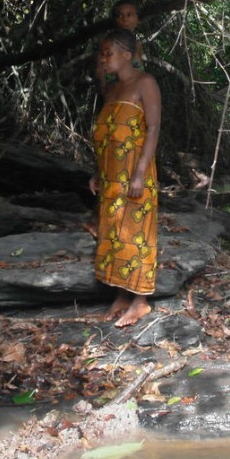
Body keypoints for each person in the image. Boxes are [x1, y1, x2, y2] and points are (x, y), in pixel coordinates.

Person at [90, 29, 161, 327]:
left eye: (109, 53)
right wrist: (97, 172)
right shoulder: (111, 91)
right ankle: (121, 294)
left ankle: (140, 302)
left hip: (135, 174)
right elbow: (108, 135)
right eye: (103, 53)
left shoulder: (145, 83)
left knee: (137, 235)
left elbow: (154, 128)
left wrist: (140, 173)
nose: (104, 59)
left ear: (127, 56)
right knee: (115, 235)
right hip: (110, 177)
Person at [111, 0, 146, 69]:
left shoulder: (138, 45)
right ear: (114, 20)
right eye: (120, 16)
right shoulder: (110, 44)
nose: (125, 19)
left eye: (129, 15)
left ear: (137, 18)